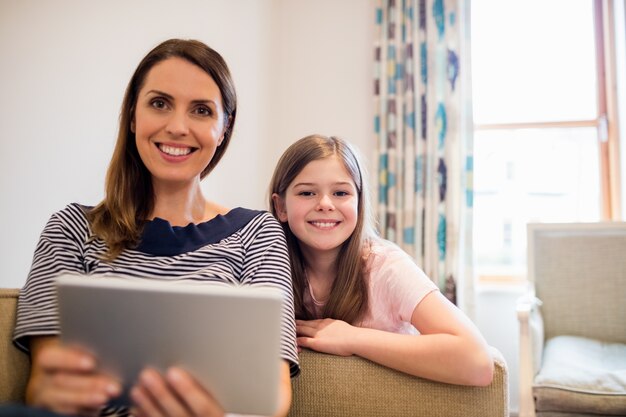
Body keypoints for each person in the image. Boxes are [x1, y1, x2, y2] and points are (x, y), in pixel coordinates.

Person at [8, 39, 299, 417]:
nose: (177, 127)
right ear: (132, 116)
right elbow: (42, 389)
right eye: (159, 103)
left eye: (201, 110)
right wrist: (59, 394)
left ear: (224, 129)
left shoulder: (258, 233)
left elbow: (273, 396)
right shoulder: (70, 229)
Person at [268, 134, 493, 386]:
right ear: (281, 208)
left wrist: (352, 338)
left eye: (341, 192)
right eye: (307, 193)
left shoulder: (386, 266)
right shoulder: (266, 265)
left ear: (360, 203)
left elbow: (478, 362)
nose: (325, 204)